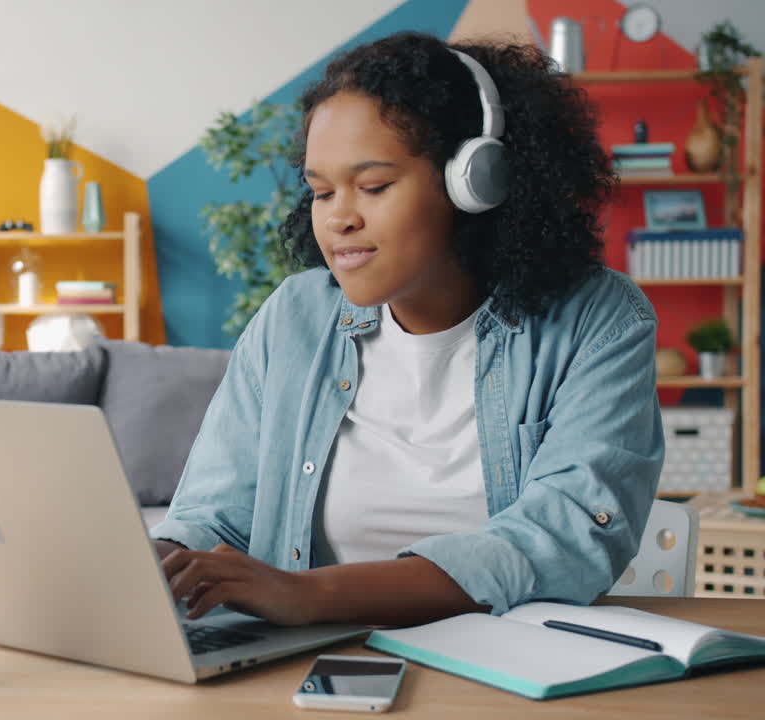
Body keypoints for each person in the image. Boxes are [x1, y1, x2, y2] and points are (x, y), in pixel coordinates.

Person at [149, 32, 664, 628]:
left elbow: (564, 538)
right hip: (309, 667)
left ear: (473, 182)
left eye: (373, 187)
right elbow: (214, 517)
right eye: (321, 192)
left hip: (506, 669)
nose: (340, 217)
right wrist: (157, 563)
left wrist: (307, 595)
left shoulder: (598, 321)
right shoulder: (294, 317)